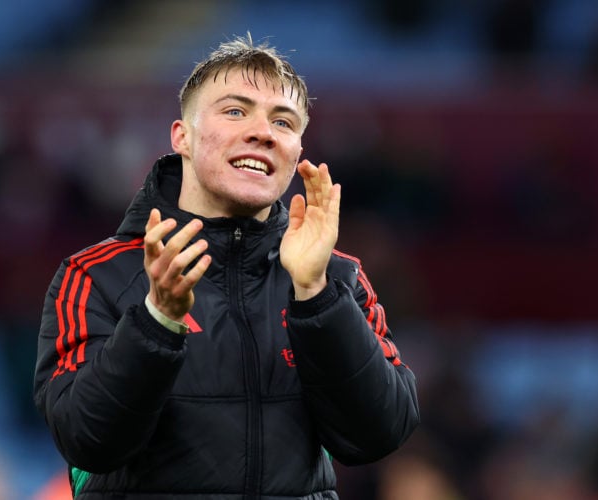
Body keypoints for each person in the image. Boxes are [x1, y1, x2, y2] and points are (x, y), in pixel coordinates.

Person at [33, 34, 420, 499]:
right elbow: (86, 439)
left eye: (283, 121)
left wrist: (315, 295)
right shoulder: (97, 273)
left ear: (297, 152)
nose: (263, 132)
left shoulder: (337, 277)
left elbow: (379, 435)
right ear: (183, 137)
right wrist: (157, 322)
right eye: (235, 111)